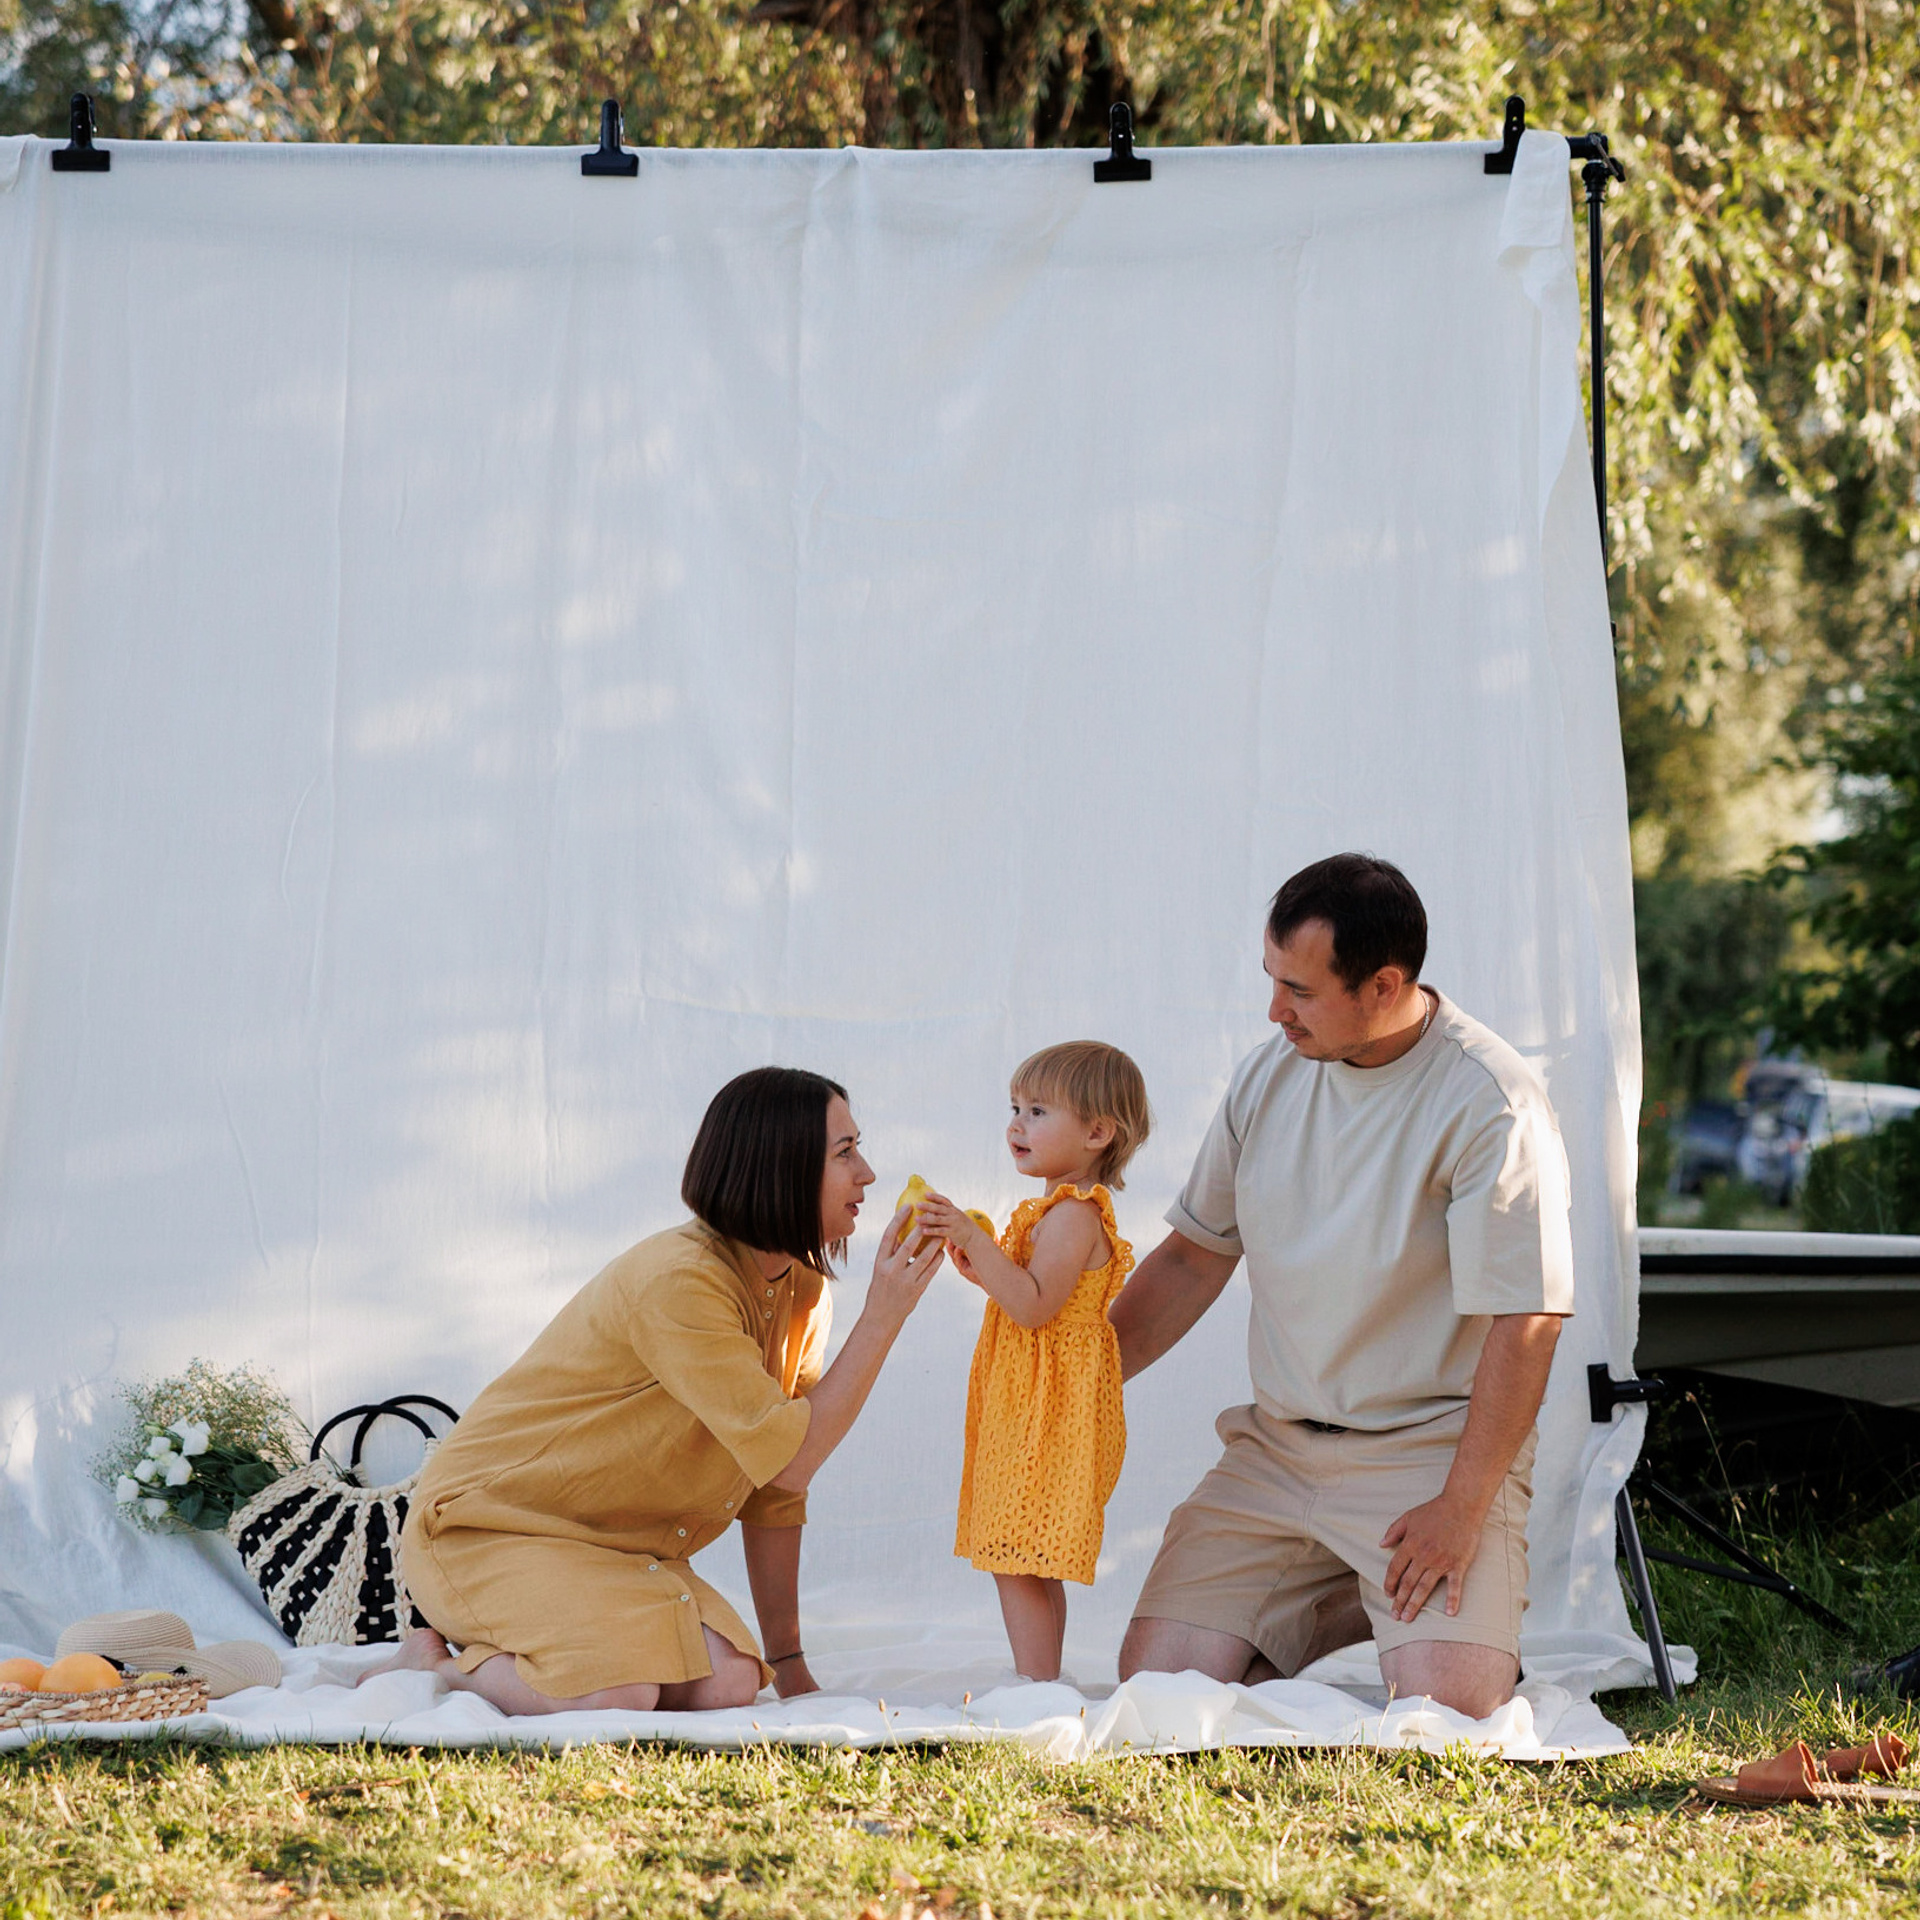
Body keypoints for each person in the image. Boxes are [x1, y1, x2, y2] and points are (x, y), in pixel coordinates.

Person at [1109, 854, 1574, 1719]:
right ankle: (1334, 1606)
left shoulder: (1491, 1102)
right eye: (1271, 980)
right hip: (1276, 1452)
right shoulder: (1265, 1074)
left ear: (1384, 985)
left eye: (1300, 990)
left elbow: (1528, 1320)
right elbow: (1190, 1260)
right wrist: (1074, 1390)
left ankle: (1406, 1619)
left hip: (1427, 1452)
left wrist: (1461, 1507)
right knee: (1154, 1693)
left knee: (1453, 1711)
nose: (1274, 1010)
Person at [364, 1066, 943, 1715]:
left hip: (611, 1550)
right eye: (845, 1153)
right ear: (780, 1164)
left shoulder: (801, 1294)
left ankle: (552, 1653)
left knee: (733, 1683)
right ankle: (440, 1665)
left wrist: (787, 1662)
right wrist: (886, 1313)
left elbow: (777, 1487)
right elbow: (794, 1456)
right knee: (618, 1691)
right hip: (488, 1529)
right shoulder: (681, 1283)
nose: (866, 1173)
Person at [914, 1041, 1151, 1682]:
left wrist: (969, 1238)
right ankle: (1043, 1680)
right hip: (1032, 1401)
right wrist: (983, 1264)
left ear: (1098, 1132)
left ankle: (1035, 1685)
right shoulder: (1052, 1212)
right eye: (1015, 1108)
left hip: (1050, 1413)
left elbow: (1036, 1307)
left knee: (1017, 1551)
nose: (1016, 1124)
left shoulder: (1075, 1215)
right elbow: (1026, 1295)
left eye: (1038, 1111)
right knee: (1026, 1549)